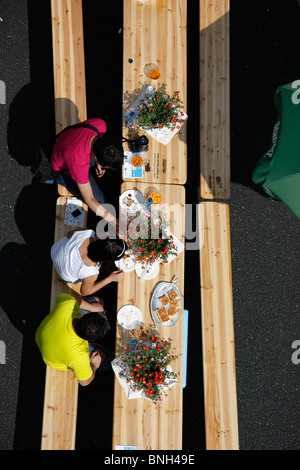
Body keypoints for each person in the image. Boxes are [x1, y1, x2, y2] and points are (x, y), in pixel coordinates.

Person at [50, 118, 124, 229]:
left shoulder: (100, 125)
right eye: (104, 166)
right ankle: (61, 180)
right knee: (99, 200)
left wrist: (100, 162)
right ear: (97, 158)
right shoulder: (78, 163)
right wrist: (113, 221)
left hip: (71, 142)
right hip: (65, 169)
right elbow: (90, 199)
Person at [35, 293, 110, 386]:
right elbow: (84, 382)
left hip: (43, 335)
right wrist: (94, 365)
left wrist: (91, 307)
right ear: (90, 341)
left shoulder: (68, 305)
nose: (105, 317)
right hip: (51, 358)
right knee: (104, 356)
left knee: (97, 302)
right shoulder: (79, 356)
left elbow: (71, 297)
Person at [50, 228, 126, 296]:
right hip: (64, 273)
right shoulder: (91, 272)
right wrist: (110, 279)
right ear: (107, 260)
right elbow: (84, 293)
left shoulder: (87, 233)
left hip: (55, 249)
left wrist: (108, 233)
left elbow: (69, 234)